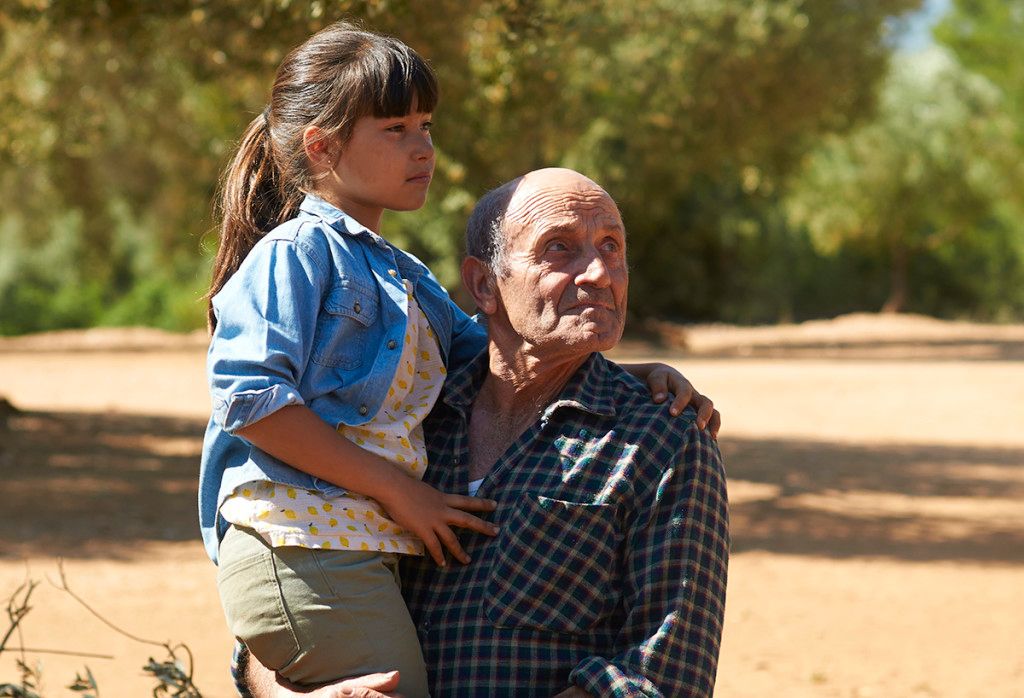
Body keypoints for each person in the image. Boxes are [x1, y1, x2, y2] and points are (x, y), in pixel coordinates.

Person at [200, 22, 719, 696]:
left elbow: (661, 676)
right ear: (484, 285)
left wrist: (631, 375)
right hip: (301, 542)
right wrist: (399, 492)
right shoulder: (308, 269)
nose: (423, 147)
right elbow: (248, 399)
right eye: (396, 129)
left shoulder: (659, 435)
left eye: (426, 126)